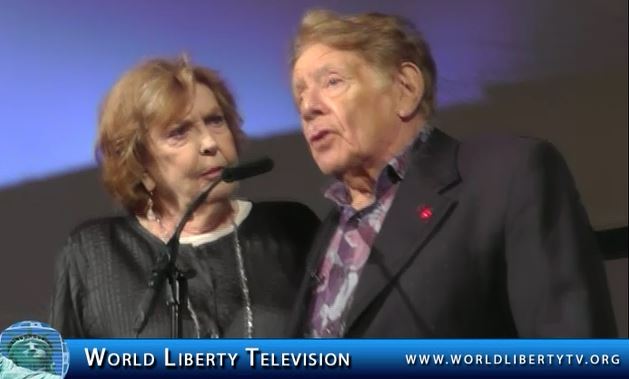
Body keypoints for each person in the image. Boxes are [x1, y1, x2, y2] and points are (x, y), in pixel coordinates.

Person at [287, 9, 617, 337]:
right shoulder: (329, 230)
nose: (308, 107)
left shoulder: (508, 176)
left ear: (406, 88)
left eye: (332, 82)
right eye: (299, 94)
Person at [49, 56, 319, 338]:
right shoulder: (97, 254)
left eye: (215, 121)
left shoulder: (291, 229)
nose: (210, 143)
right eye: (179, 132)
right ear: (139, 162)